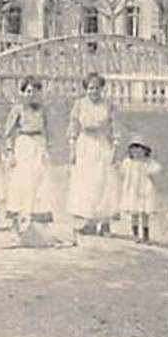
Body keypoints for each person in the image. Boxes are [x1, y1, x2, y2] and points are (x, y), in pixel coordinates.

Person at [66, 72, 119, 237]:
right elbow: (73, 126)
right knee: (86, 184)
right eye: (90, 88)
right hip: (85, 145)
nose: (93, 91)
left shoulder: (108, 105)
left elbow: (114, 127)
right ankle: (88, 221)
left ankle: (104, 223)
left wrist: (115, 147)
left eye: (96, 88)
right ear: (85, 89)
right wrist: (72, 149)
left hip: (102, 144)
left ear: (101, 89)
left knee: (103, 182)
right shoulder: (79, 104)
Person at [3, 77, 51, 234]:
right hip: (23, 145)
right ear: (23, 93)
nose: (33, 95)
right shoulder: (18, 109)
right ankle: (18, 220)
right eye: (29, 91)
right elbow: (8, 133)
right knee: (23, 182)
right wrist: (10, 153)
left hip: (39, 145)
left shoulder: (42, 109)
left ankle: (35, 221)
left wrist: (46, 150)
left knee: (40, 182)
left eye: (36, 91)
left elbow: (46, 130)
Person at [118, 136, 162, 243]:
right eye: (133, 150)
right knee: (134, 212)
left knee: (144, 213)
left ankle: (146, 235)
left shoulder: (147, 163)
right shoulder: (128, 162)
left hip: (144, 190)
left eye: (139, 149)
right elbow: (121, 172)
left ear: (145, 151)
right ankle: (136, 234)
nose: (136, 152)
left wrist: (154, 160)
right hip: (132, 190)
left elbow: (156, 170)